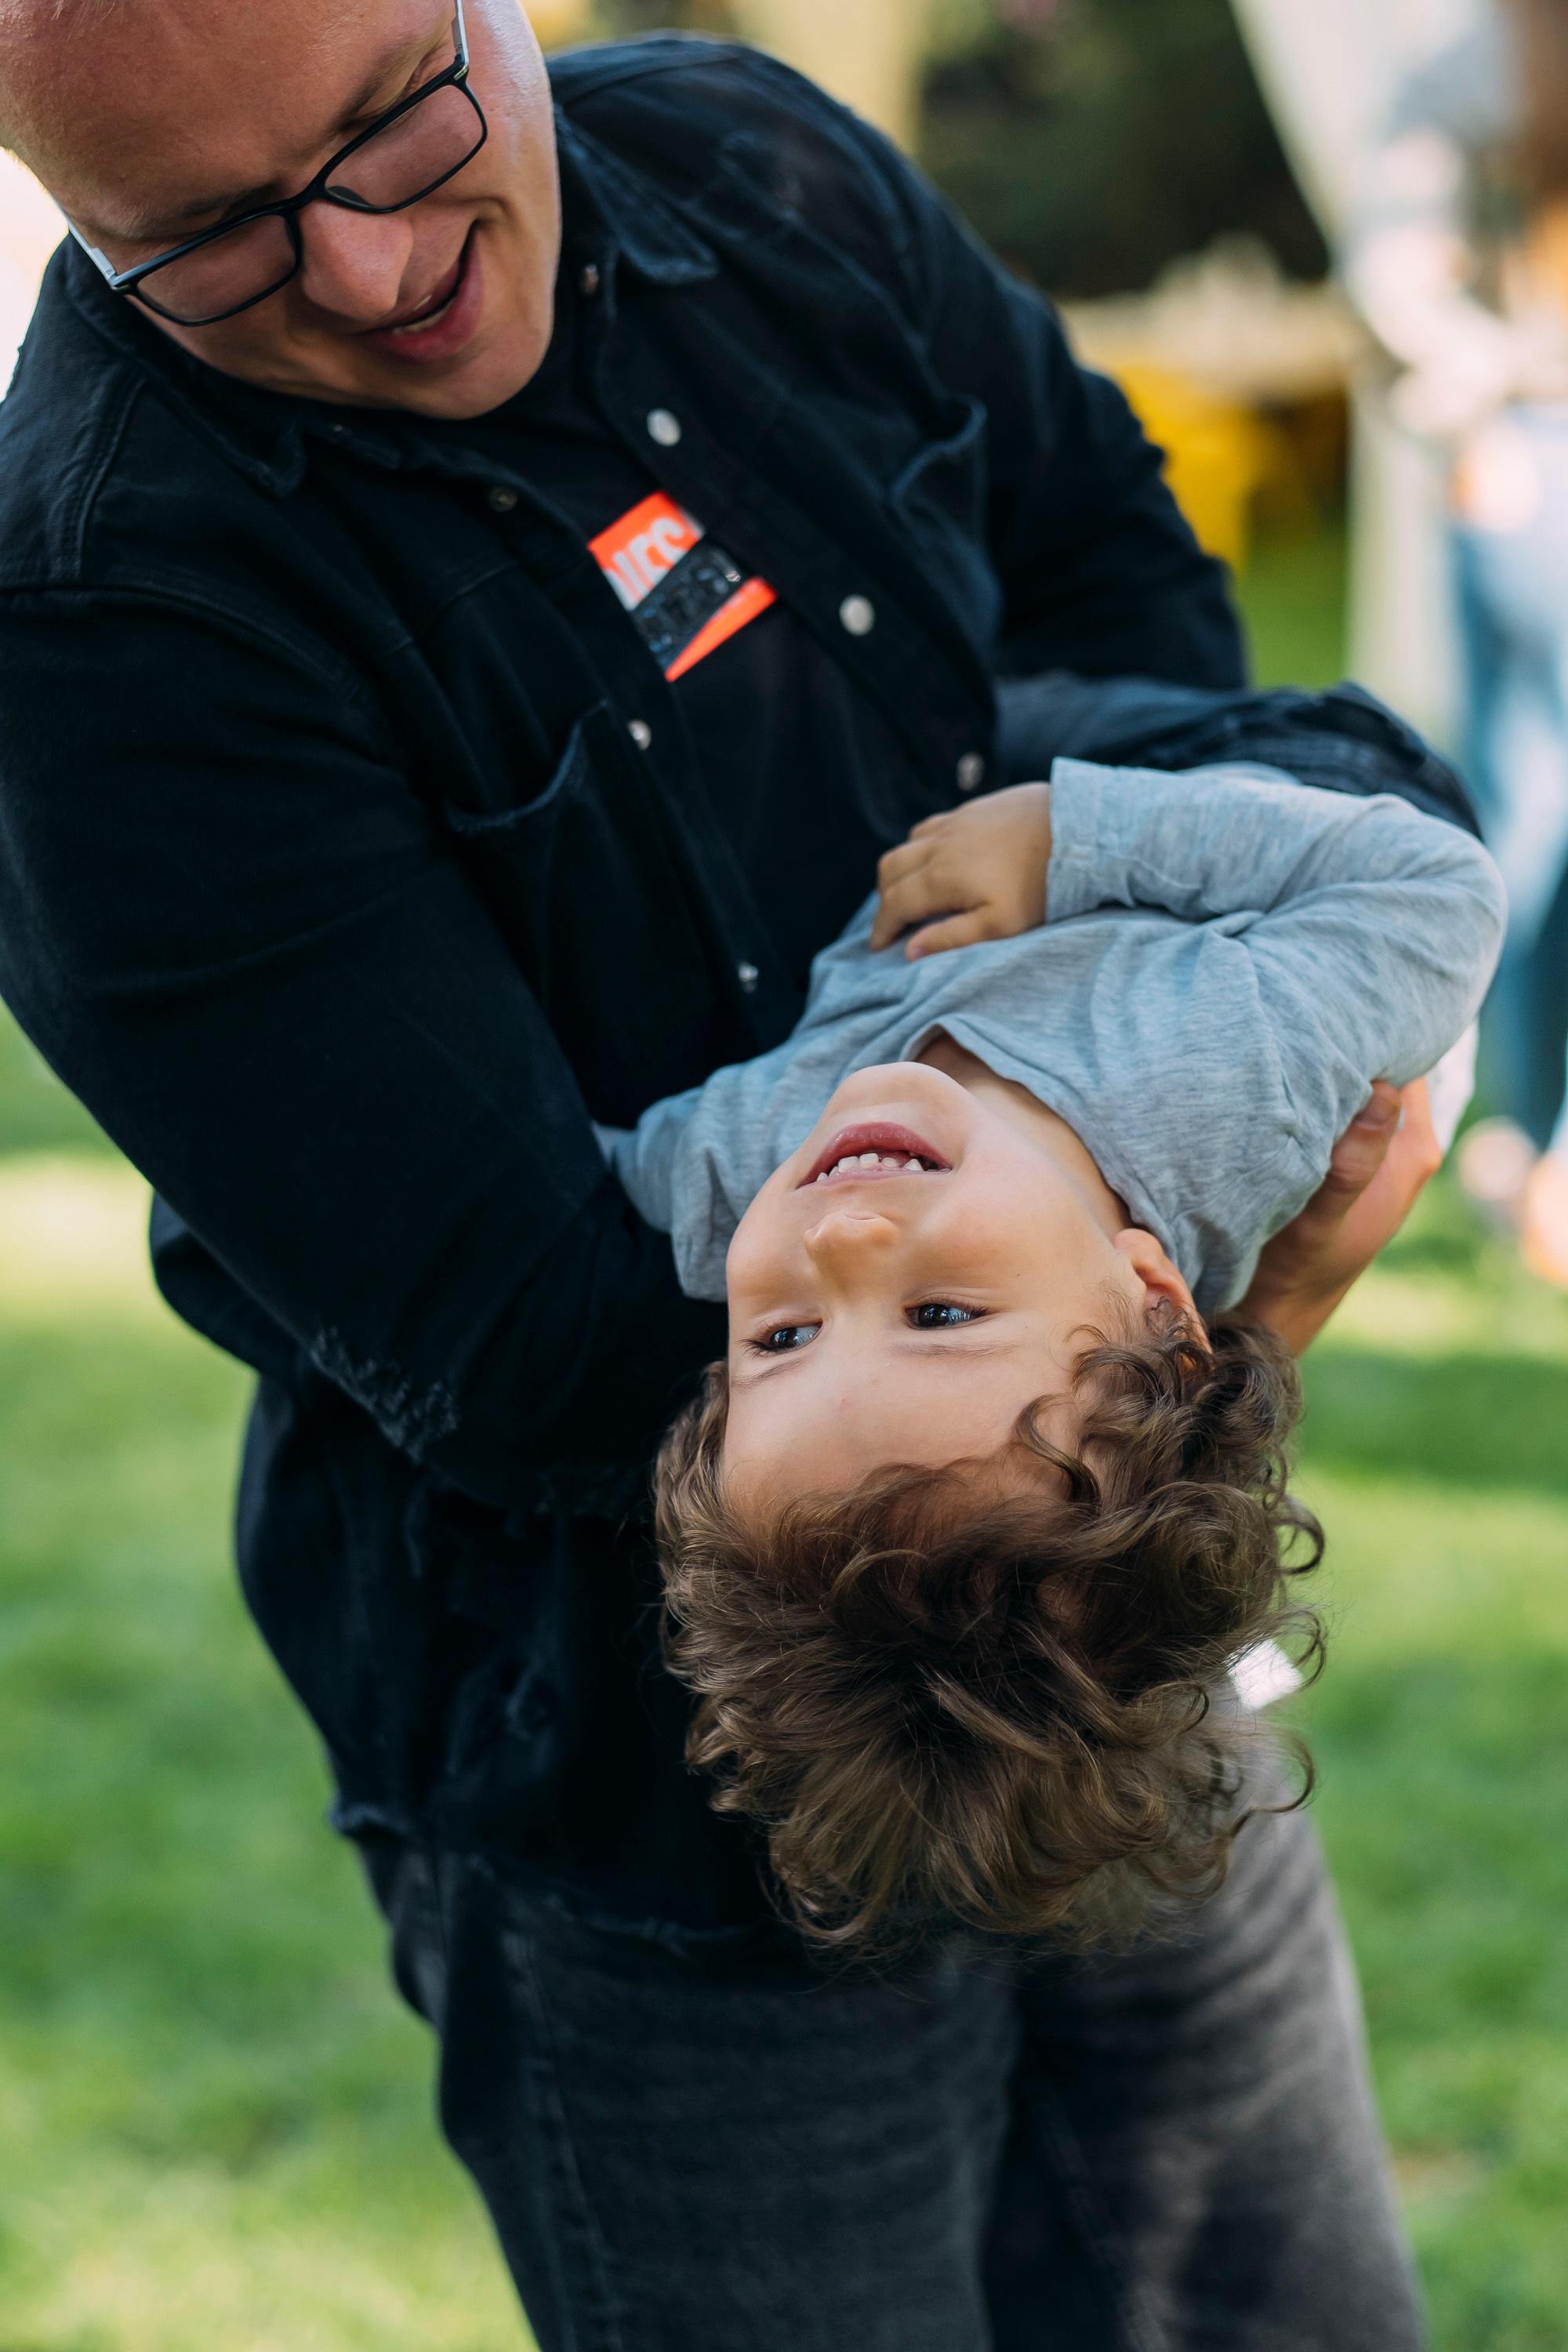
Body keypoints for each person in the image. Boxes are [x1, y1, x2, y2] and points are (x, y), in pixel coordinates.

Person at [0, 2, 1447, 2342]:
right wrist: (1155, 1296)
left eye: (397, 121)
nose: (367, 271)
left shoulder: (755, 161)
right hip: (658, 1800)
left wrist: (1103, 1388)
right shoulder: (94, 616)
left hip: (1116, 1622)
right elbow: (544, 1339)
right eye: (212, 238)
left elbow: (1119, 585)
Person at [610, 757, 1503, 1947]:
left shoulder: (728, 1172)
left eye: (782, 1337)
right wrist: (1070, 838)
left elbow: (512, 1177)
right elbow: (1437, 889)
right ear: (1152, 1301)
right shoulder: (1231, 1079)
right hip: (1248, 774)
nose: (846, 1235)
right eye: (940, 1317)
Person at [1345, 0, 1568, 1281]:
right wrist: (1485, 408)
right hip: (1526, 462)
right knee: (1521, 831)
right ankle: (1509, 1139)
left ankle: (1511, 1144)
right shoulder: (1483, 64)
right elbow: (1399, 282)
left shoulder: (1473, 61)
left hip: (1516, 460)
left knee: (1522, 826)